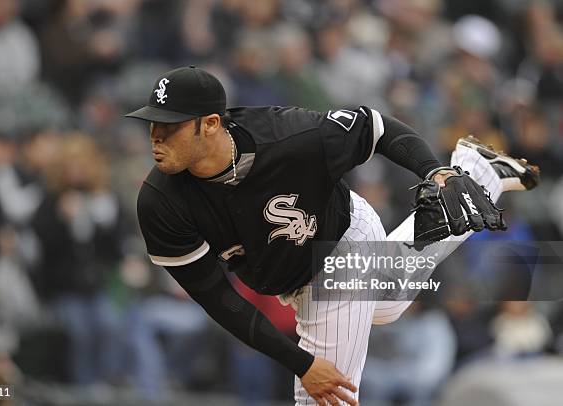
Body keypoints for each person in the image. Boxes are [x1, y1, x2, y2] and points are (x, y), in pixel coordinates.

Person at [126, 66, 538, 405]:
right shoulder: (161, 204)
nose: (156, 137)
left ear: (211, 124)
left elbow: (377, 128)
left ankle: (463, 171)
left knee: (324, 399)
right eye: (152, 125)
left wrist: (435, 171)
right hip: (292, 278)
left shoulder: (289, 136)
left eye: (170, 126)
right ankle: (480, 172)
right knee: (388, 305)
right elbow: (219, 300)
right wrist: (300, 361)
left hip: (340, 240)